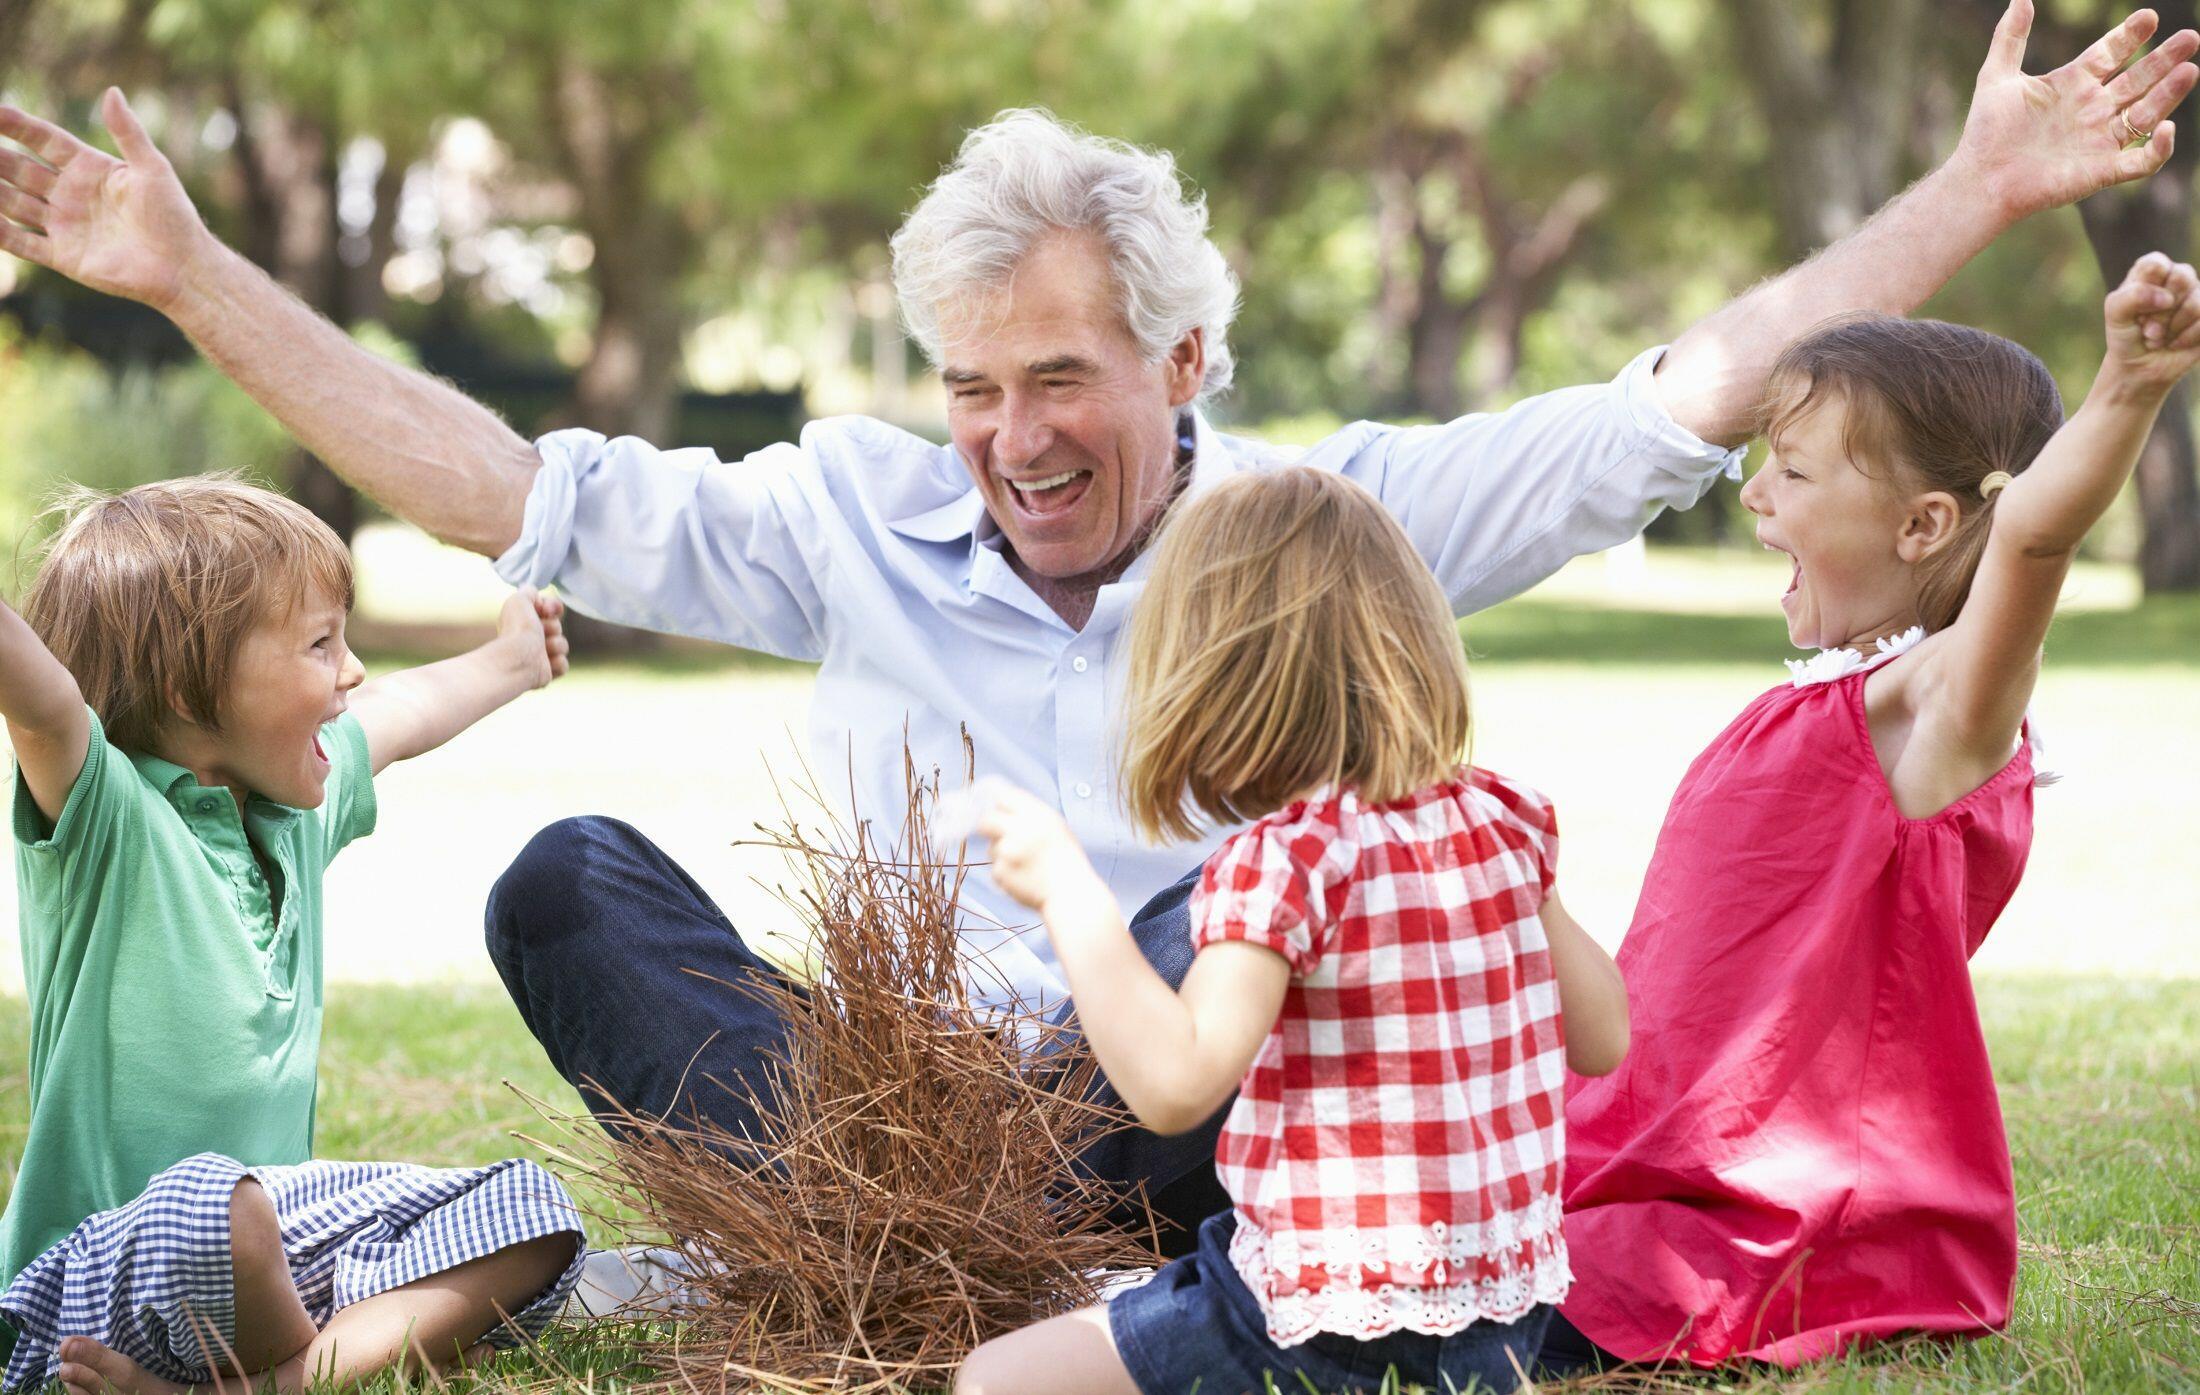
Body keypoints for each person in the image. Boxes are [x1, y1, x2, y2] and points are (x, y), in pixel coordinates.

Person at [0, 1, 2191, 1258]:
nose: (1006, 437)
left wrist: (1978, 190)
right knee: (567, 880)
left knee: (1215, 1071)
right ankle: (903, 1245)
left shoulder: (1328, 517)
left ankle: (952, 1277)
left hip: (1180, 1092)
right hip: (880, 1095)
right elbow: (500, 484)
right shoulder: (847, 508)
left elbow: (1684, 395)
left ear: (1184, 354)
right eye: (967, 383)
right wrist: (199, 282)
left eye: (1058, 379)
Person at [1543, 252, 2200, 1372]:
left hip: (1772, 1225)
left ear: (1921, 525)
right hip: (1659, 1162)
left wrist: (2128, 387)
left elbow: (2033, 537)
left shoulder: (1934, 713)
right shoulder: (1823, 701)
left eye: (1791, 472)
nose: (1751, 492)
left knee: (1408, 1318)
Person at [952, 468, 1630, 1395]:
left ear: (1214, 675)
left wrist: (1073, 897)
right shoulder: (1501, 818)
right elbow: (1603, 1036)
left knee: (997, 1378)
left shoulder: (1287, 862)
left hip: (1313, 1322)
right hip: (1496, 1324)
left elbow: (1174, 1088)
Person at [0, 478, 586, 1394]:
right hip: (101, 1284)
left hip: (276, 1256)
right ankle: (315, 1358)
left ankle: (264, 1385)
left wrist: (514, 659)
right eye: (320, 644)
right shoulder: (108, 821)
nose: (352, 671)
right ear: (185, 689)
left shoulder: (290, 815)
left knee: (534, 1211)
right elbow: (42, 701)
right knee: (222, 1204)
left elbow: (402, 714)